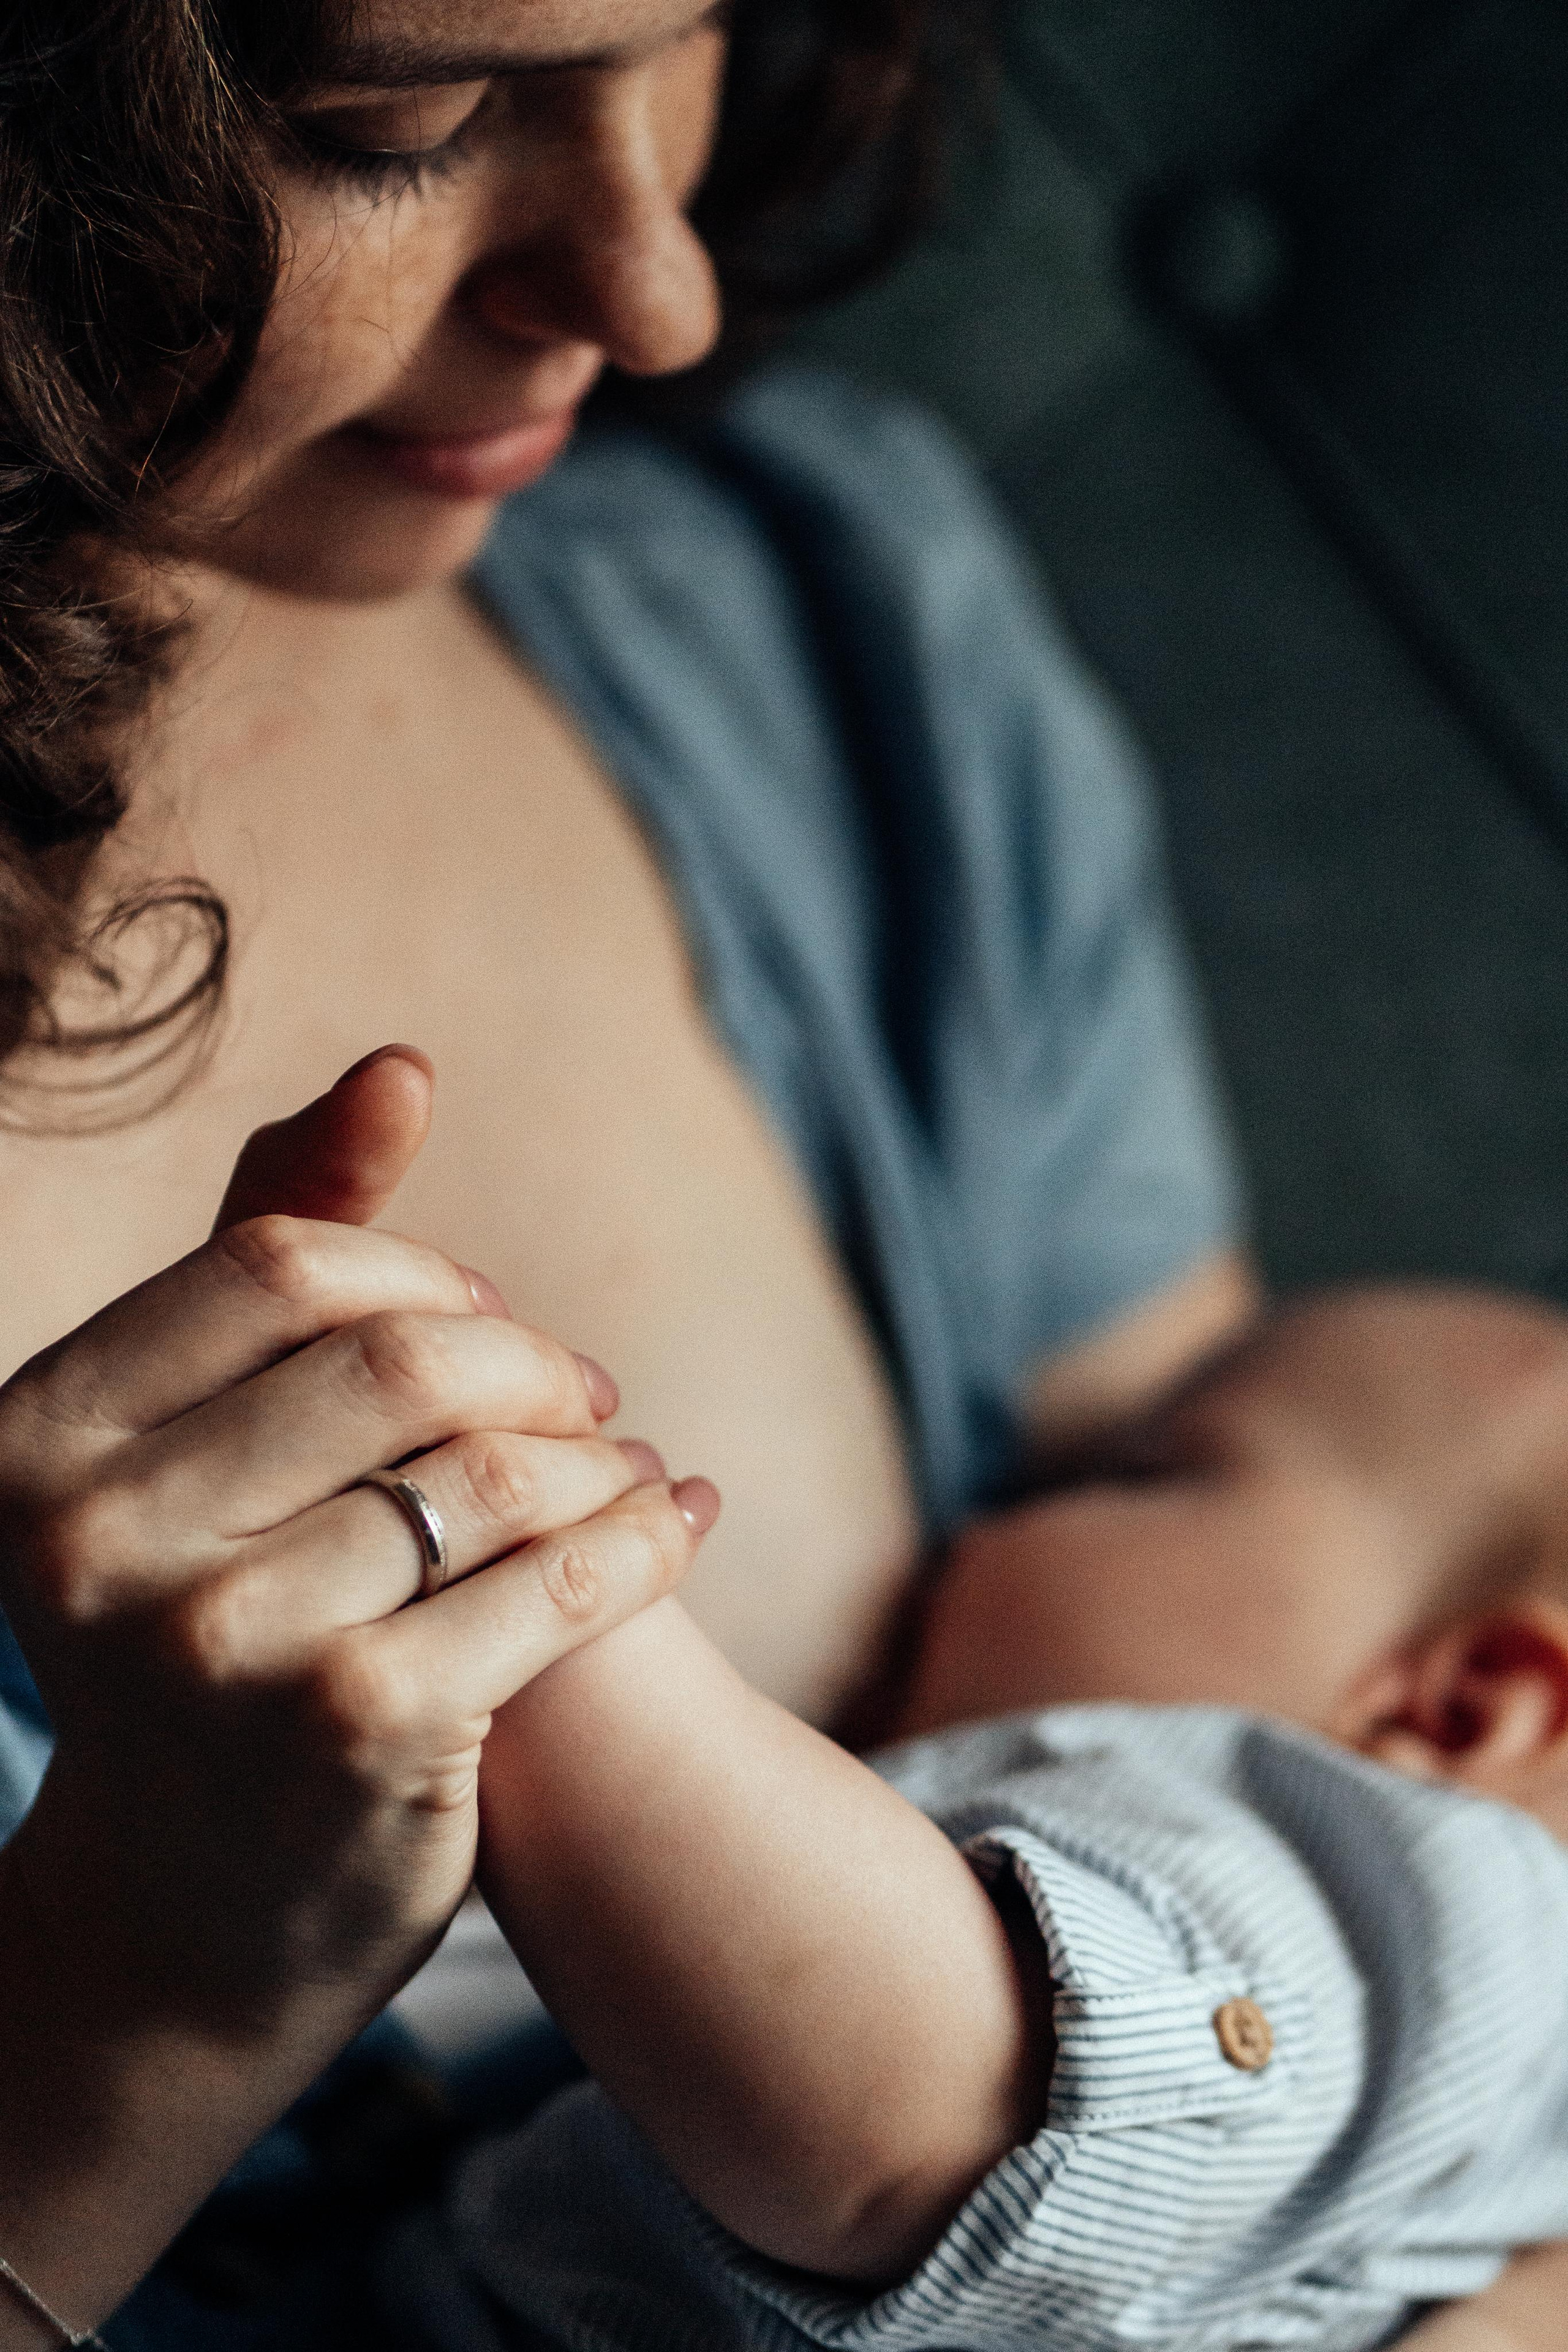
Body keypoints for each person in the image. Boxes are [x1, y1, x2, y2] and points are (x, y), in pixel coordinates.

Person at [0, 0, 1563, 2345]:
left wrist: (548, 1608)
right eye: (398, 122)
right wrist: (137, 1998)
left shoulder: (826, 615)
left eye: (686, 29)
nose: (656, 291)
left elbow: (982, 2086)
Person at [369, 1284, 1568, 2352]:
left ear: (1462, 1706)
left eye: (1131, 1478)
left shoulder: (1418, 1913)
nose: (975, 1526)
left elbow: (922, 2110)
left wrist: (541, 1581)